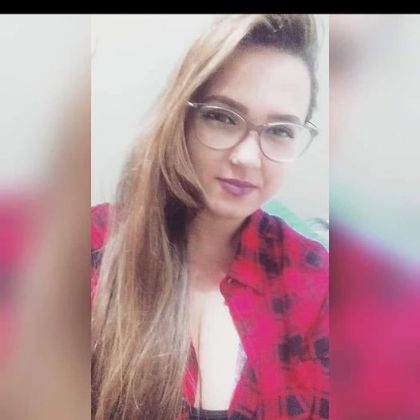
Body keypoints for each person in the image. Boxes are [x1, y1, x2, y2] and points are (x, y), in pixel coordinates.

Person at [91, 14, 328, 420]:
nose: (247, 157)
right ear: (183, 119)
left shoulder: (314, 279)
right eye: (222, 117)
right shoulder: (97, 247)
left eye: (279, 131)